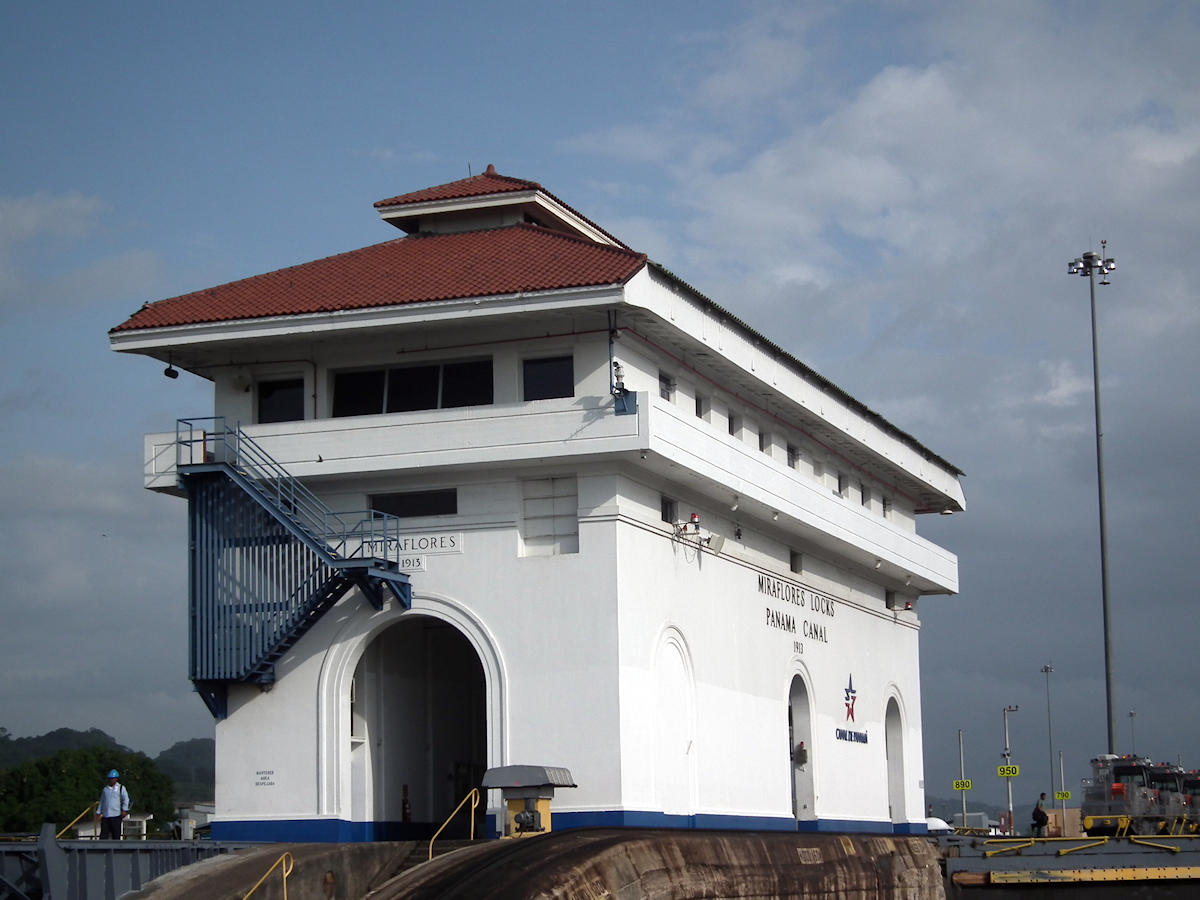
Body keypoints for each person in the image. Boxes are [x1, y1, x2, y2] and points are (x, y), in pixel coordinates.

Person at [95, 769, 130, 839]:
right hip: (106, 815)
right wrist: (98, 812)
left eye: (112, 779)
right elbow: (102, 801)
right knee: (104, 835)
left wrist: (125, 810)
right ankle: (102, 849)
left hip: (116, 815)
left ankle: (116, 849)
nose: (111, 780)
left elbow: (126, 799)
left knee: (116, 834)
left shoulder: (121, 788)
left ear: (116, 779)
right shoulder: (105, 789)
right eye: (110, 779)